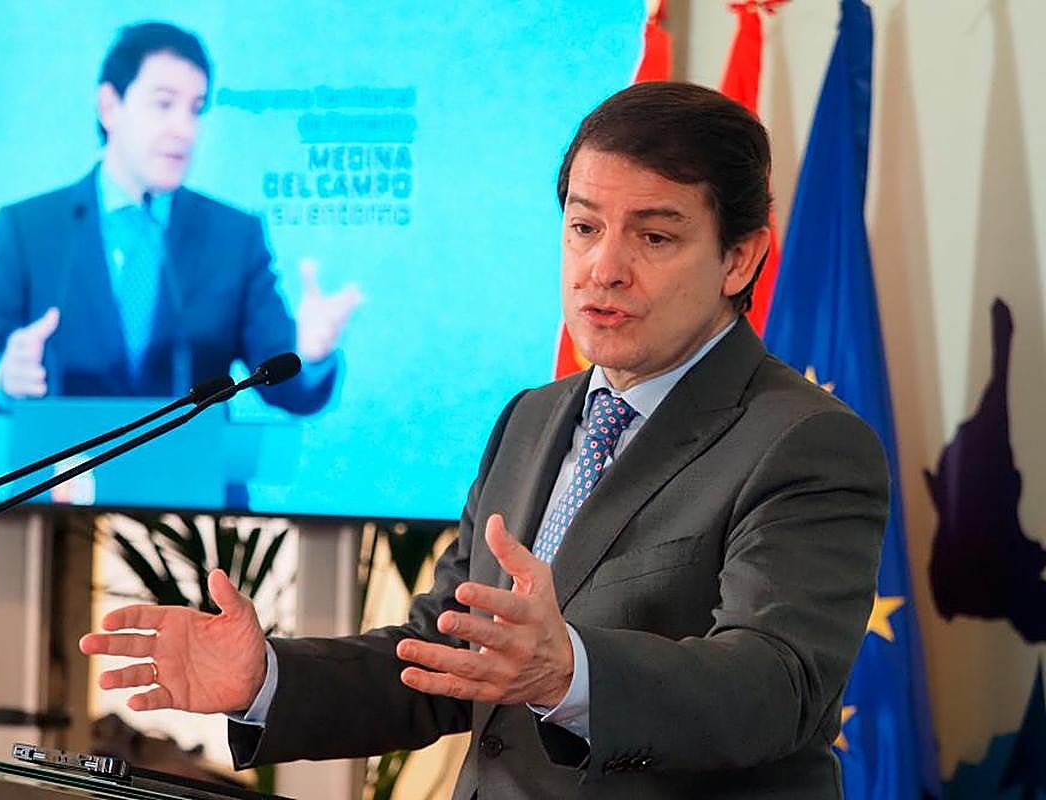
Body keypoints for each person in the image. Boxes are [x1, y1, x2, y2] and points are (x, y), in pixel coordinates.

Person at [80, 82, 888, 798]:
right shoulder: (532, 418)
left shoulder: (805, 443)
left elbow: (777, 687)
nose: (602, 268)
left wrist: (571, 672)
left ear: (740, 258)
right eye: (583, 227)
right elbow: (442, 658)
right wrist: (269, 678)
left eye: (654, 237)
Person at [0, 22, 360, 413]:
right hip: (62, 484)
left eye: (195, 109)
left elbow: (284, 388)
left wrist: (309, 355)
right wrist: (3, 376)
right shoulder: (29, 229)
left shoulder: (234, 236)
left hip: (193, 483)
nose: (185, 129)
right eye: (164, 104)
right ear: (110, 105)